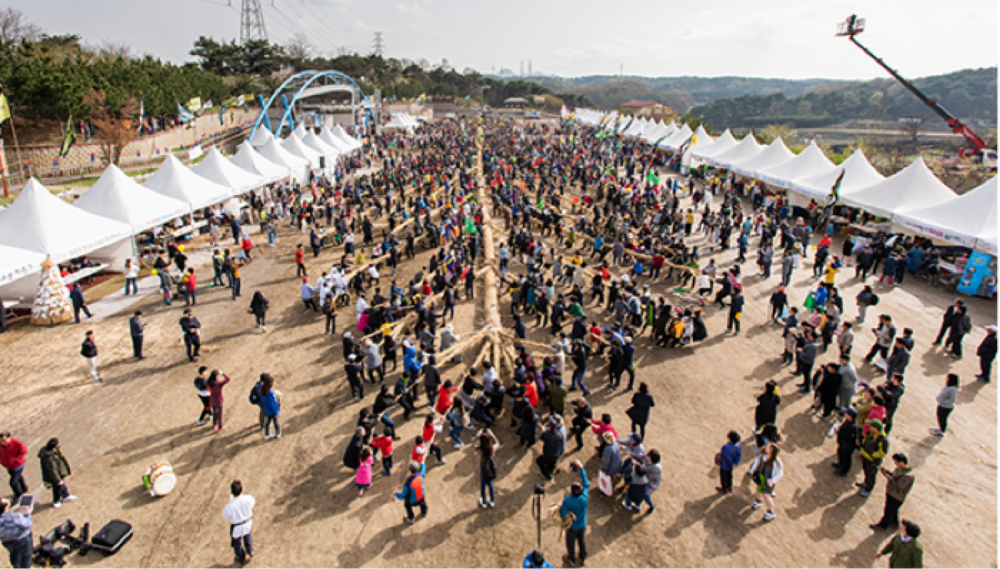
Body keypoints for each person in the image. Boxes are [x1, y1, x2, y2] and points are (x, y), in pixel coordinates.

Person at [870, 453, 914, 531]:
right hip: (891, 493)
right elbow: (895, 477)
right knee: (893, 510)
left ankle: (882, 526)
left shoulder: (908, 476)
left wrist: (888, 477)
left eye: (896, 462)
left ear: (902, 462)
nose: (895, 463)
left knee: (889, 511)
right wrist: (888, 472)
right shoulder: (900, 469)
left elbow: (899, 486)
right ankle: (894, 523)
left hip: (896, 496)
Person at [560, 460, 589, 568]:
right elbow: (586, 482)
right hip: (582, 523)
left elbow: (563, 514)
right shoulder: (585, 496)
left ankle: (571, 558)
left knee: (570, 543)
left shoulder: (567, 501)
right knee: (582, 541)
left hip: (572, 526)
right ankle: (583, 555)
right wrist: (581, 467)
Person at [221, 480, 255, 564]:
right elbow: (252, 503)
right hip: (248, 522)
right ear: (242, 489)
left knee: (236, 542)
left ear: (232, 492)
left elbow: (225, 516)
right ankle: (250, 550)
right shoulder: (248, 498)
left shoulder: (230, 506)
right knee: (247, 534)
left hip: (237, 526)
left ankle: (241, 557)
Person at [38, 438, 76, 508]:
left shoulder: (52, 451)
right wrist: (58, 480)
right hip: (53, 476)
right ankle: (56, 501)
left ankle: (65, 495)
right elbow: (52, 470)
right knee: (57, 487)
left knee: (62, 484)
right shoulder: (48, 458)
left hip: (58, 473)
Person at [749, 443, 783, 522]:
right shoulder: (762, 456)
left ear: (771, 451)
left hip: (769, 481)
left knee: (766, 495)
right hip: (760, 477)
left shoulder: (776, 462)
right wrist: (752, 471)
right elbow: (756, 463)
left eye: (768, 447)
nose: (766, 447)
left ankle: (771, 512)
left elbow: (780, 473)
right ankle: (758, 501)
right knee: (758, 488)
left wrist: (773, 481)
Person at [857, 419, 888, 497]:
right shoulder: (870, 433)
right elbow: (865, 440)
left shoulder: (882, 439)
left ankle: (868, 489)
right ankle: (865, 482)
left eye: (871, 426)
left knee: (871, 474)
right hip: (865, 456)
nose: (869, 426)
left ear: (876, 428)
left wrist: (872, 455)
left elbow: (883, 452)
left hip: (872, 460)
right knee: (866, 470)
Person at [0, 498, 32, 569]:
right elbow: (26, 524)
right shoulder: (14, 516)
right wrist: (27, 514)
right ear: (5, 508)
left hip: (7, 542)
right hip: (21, 540)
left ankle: (16, 566)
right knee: (25, 557)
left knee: (14, 553)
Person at [475, 428, 500, 507]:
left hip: (482, 471)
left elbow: (473, 445)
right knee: (490, 485)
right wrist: (492, 435)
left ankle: (484, 502)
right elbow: (498, 443)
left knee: (483, 486)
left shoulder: (481, 451)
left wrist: (477, 436)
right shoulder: (492, 449)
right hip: (490, 470)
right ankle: (492, 500)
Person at [832, 407, 859, 476]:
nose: (845, 414)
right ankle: (840, 464)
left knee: (846, 458)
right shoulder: (848, 420)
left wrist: (838, 431)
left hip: (847, 446)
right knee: (840, 452)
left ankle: (844, 471)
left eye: (846, 413)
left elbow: (847, 437)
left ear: (850, 416)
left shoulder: (852, 427)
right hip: (843, 443)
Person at [0, 433, 28, 501]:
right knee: (18, 476)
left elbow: (24, 451)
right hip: (9, 466)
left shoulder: (17, 443)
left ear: (9, 437)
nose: (2, 442)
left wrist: (16, 460)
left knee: (13, 482)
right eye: (1, 441)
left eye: (4, 440)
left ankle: (19, 495)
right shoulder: (1, 445)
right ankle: (24, 488)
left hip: (17, 466)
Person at [260, 374, 282, 439]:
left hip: (266, 409)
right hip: (272, 411)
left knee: (267, 423)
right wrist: (276, 411)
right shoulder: (270, 394)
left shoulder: (262, 389)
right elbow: (273, 404)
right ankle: (278, 433)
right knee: (276, 422)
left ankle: (267, 435)